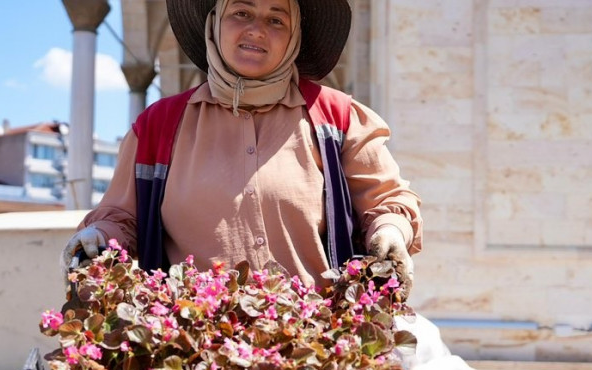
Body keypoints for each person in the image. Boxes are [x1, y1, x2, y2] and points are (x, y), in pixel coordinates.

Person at [62, 0, 422, 292]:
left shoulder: (339, 118)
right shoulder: (157, 127)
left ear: (294, 35)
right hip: (190, 354)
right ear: (215, 23)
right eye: (241, 12)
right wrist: (99, 236)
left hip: (317, 350)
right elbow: (122, 218)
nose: (256, 30)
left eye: (276, 19)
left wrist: (390, 230)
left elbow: (389, 202)